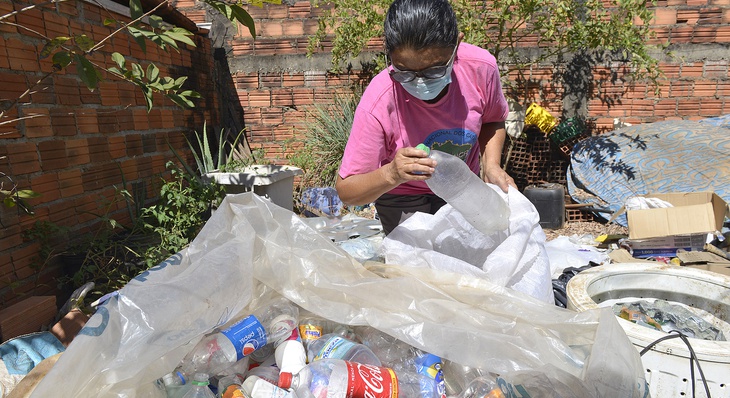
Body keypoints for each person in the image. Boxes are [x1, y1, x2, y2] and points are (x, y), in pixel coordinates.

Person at [335, 0, 517, 235]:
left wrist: (491, 165)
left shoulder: (480, 69)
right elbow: (347, 190)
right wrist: (391, 174)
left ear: (456, 46)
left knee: (469, 261)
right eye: (404, 71)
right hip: (402, 196)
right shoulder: (380, 99)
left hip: (460, 187)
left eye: (435, 70)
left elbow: (492, 119)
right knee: (417, 269)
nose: (420, 81)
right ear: (388, 54)